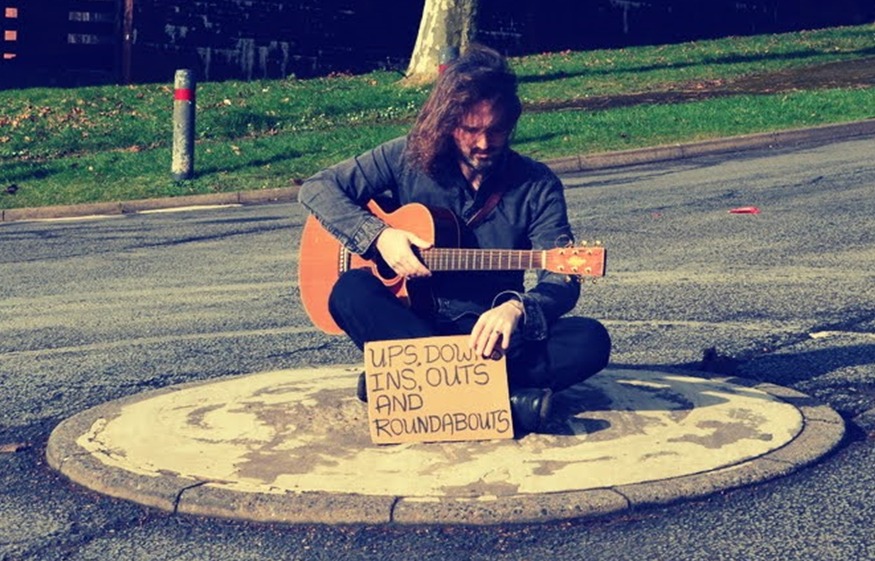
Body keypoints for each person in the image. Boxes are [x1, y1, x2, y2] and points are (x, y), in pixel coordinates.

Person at [298, 44, 611, 435]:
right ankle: (508, 405)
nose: (484, 143)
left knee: (589, 340)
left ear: (511, 122)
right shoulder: (406, 157)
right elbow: (318, 188)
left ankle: (403, 385)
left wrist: (517, 308)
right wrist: (379, 237)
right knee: (349, 291)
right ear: (448, 122)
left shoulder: (538, 184)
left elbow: (561, 280)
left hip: (488, 339)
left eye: (495, 130)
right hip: (412, 326)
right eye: (470, 130)